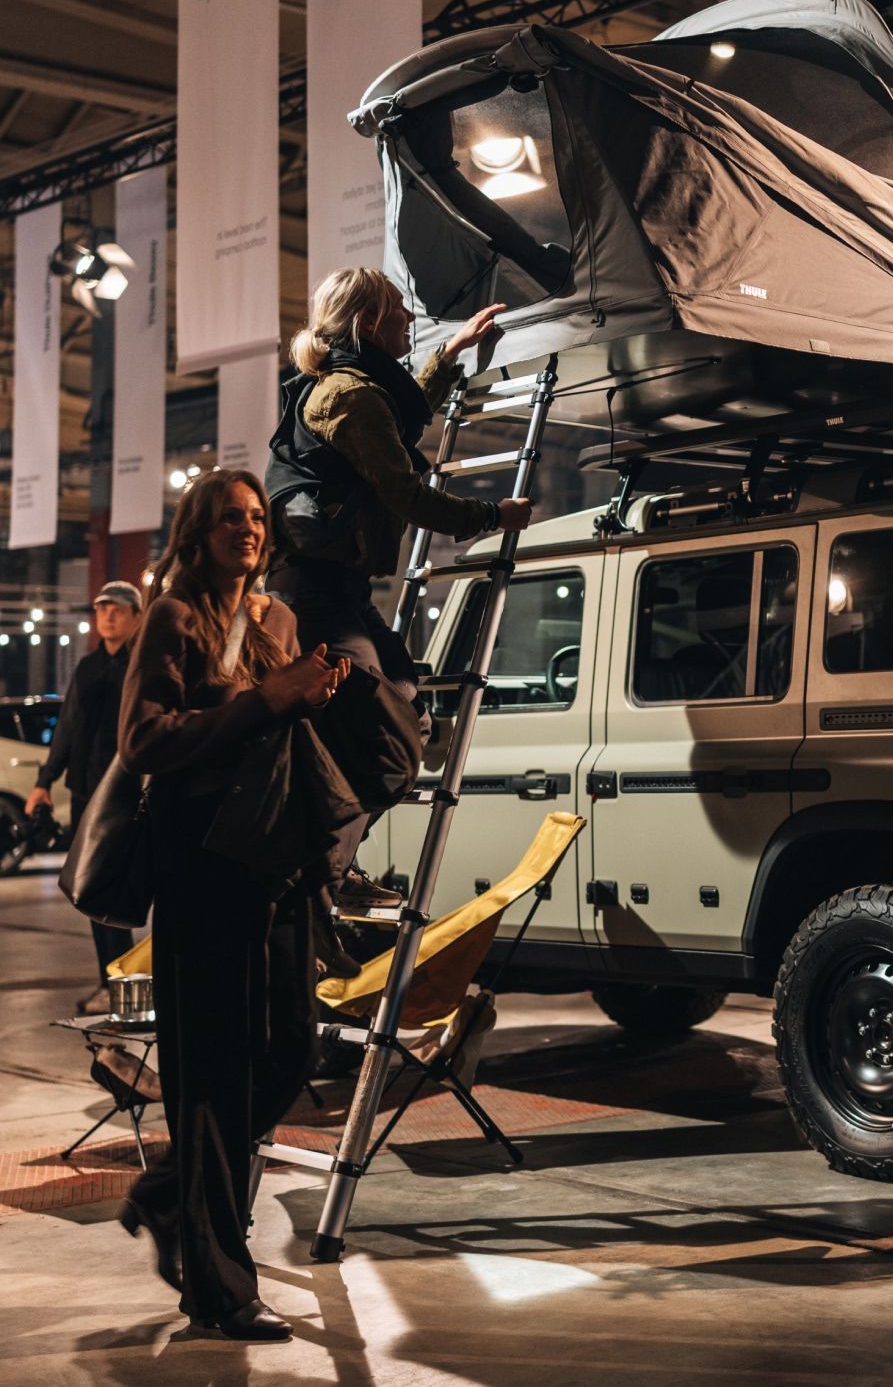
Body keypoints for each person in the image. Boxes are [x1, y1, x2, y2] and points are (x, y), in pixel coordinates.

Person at [118, 469, 348, 1342]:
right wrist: (263, 700)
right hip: (202, 867)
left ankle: (166, 1191)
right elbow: (142, 742)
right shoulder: (175, 618)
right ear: (198, 530)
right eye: (228, 519)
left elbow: (276, 730)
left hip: (276, 862)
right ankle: (219, 1290)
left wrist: (310, 698)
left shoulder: (277, 618)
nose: (247, 530)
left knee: (292, 1049)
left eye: (255, 517)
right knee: (212, 1077)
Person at [265, 267, 532, 897]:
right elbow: (406, 492)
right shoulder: (349, 396)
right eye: (398, 311)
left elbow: (397, 421)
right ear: (367, 323)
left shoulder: (353, 388)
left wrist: (449, 354)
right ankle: (325, 874)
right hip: (315, 593)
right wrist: (491, 516)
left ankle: (333, 863)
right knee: (382, 727)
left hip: (339, 590)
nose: (410, 320)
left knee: (406, 706)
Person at [26, 579, 144, 1014]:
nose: (108, 616)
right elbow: (69, 726)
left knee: (123, 891)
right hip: (85, 792)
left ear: (136, 617)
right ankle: (109, 983)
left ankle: (129, 985)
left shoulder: (142, 665)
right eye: (102, 609)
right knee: (91, 888)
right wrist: (44, 781)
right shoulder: (89, 667)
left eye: (118, 609)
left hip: (128, 794)